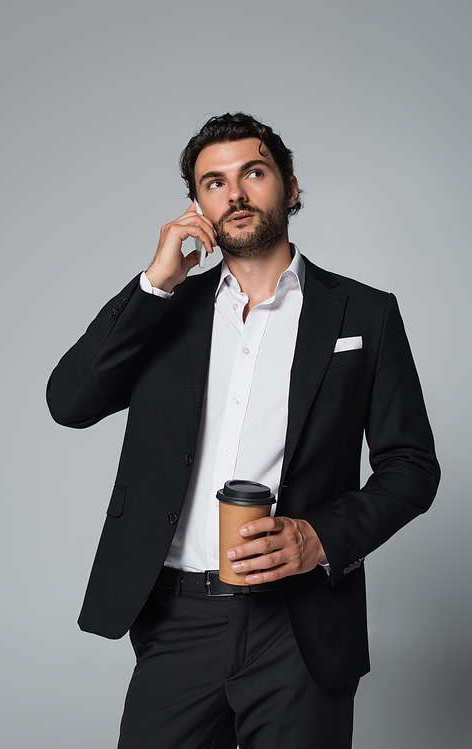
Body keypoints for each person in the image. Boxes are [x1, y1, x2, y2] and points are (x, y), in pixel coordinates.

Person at [47, 112, 440, 749]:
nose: (234, 194)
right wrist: (154, 285)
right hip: (178, 619)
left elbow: (412, 467)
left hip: (302, 622)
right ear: (197, 205)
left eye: (252, 173)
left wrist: (320, 538)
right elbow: (69, 401)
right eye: (213, 182)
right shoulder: (164, 314)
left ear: (287, 186)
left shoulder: (365, 313)